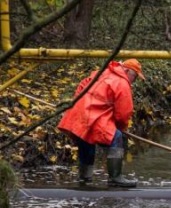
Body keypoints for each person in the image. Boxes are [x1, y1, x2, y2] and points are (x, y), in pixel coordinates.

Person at [58, 59, 145, 187]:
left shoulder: (102, 72)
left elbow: (82, 85)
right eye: (135, 76)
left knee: (86, 139)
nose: (134, 80)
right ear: (126, 71)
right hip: (94, 117)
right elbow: (123, 114)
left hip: (79, 114)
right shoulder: (122, 83)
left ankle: (84, 178)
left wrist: (80, 106)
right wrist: (121, 129)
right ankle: (115, 178)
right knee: (117, 137)